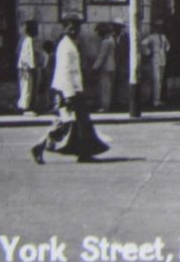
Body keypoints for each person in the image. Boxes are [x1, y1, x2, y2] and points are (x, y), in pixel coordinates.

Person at [31, 17, 109, 164]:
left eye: (77, 28)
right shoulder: (65, 46)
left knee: (81, 123)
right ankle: (40, 146)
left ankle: (84, 153)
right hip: (67, 91)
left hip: (74, 90)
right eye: (71, 28)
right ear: (65, 29)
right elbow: (64, 71)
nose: (74, 30)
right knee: (67, 123)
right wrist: (68, 96)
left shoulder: (71, 44)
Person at [142, 22, 170, 107]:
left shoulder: (164, 37)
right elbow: (143, 44)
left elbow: (168, 45)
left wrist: (166, 50)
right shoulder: (152, 37)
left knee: (160, 80)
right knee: (156, 79)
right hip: (155, 58)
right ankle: (155, 100)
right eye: (158, 27)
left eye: (161, 27)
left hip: (162, 58)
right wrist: (148, 52)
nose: (159, 29)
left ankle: (158, 99)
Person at [16, 21, 42, 114]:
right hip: (27, 68)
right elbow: (29, 55)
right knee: (27, 87)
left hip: (22, 67)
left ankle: (22, 105)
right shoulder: (29, 40)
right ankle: (25, 107)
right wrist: (32, 66)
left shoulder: (23, 39)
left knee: (24, 86)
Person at [92, 23, 117, 111]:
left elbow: (102, 56)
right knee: (107, 87)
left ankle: (105, 106)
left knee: (104, 87)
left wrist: (95, 67)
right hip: (110, 66)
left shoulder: (106, 41)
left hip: (106, 66)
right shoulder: (111, 39)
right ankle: (106, 104)